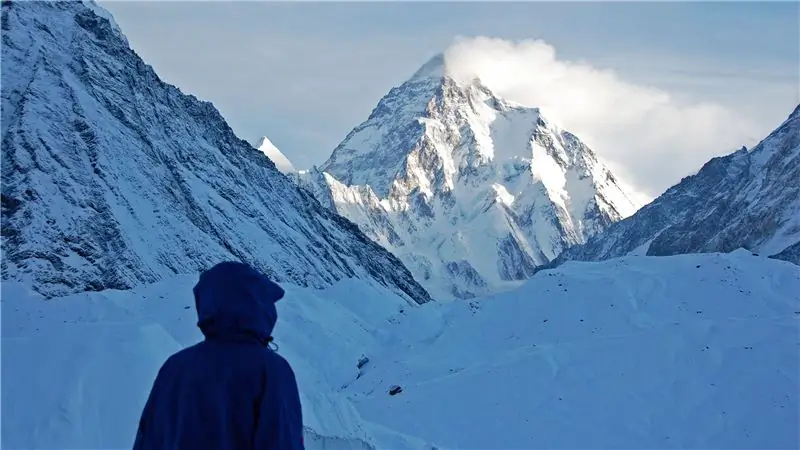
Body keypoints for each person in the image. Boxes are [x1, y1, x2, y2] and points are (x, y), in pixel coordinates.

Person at [133, 261, 304, 449]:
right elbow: (283, 441)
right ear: (258, 305)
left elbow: (148, 439)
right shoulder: (271, 370)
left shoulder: (174, 368)